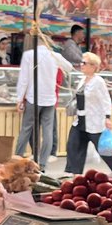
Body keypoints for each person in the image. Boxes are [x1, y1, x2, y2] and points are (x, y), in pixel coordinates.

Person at [14, 28, 74, 168]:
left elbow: (24, 79)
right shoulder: (54, 56)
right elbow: (69, 67)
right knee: (47, 131)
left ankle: (17, 159)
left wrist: (19, 99)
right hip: (50, 99)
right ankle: (42, 163)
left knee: (26, 128)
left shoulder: (29, 55)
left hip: (33, 98)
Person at [65, 52, 112, 176]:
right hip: (80, 119)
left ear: (93, 66)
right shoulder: (82, 80)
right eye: (81, 62)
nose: (81, 65)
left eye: (84, 63)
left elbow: (106, 100)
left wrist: (107, 117)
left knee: (101, 147)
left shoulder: (98, 82)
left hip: (95, 120)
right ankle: (75, 172)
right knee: (73, 144)